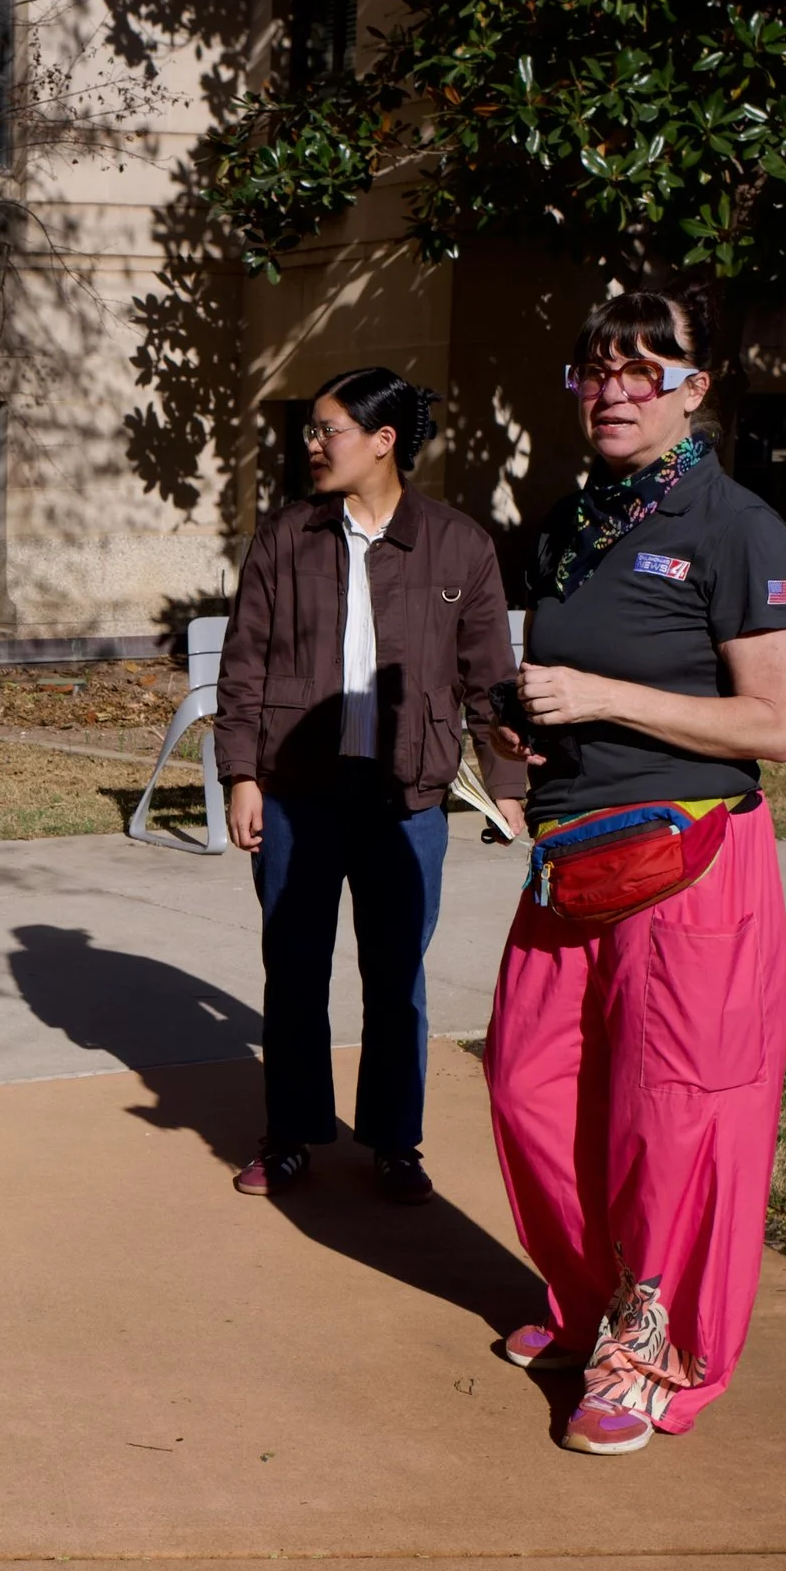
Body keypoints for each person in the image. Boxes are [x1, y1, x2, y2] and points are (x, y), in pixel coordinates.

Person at [484, 288, 786, 1455]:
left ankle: (649, 1348)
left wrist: (607, 699)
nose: (614, 391)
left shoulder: (735, 528)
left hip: (690, 855)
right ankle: (587, 1302)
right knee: (529, 1093)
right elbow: (571, 684)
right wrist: (528, 734)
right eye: (595, 370)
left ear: (694, 389)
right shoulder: (576, 521)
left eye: (643, 370)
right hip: (571, 856)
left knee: (672, 1118)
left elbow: (774, 725)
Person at [216, 367, 526, 1204]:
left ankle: (395, 1142)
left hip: (406, 800)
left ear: (384, 440)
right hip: (297, 794)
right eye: (311, 431)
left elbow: (489, 675)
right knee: (295, 969)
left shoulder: (458, 544)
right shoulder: (286, 536)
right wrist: (242, 775)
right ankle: (290, 1136)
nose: (312, 445)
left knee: (396, 978)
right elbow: (242, 663)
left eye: (329, 431)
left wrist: (506, 784)